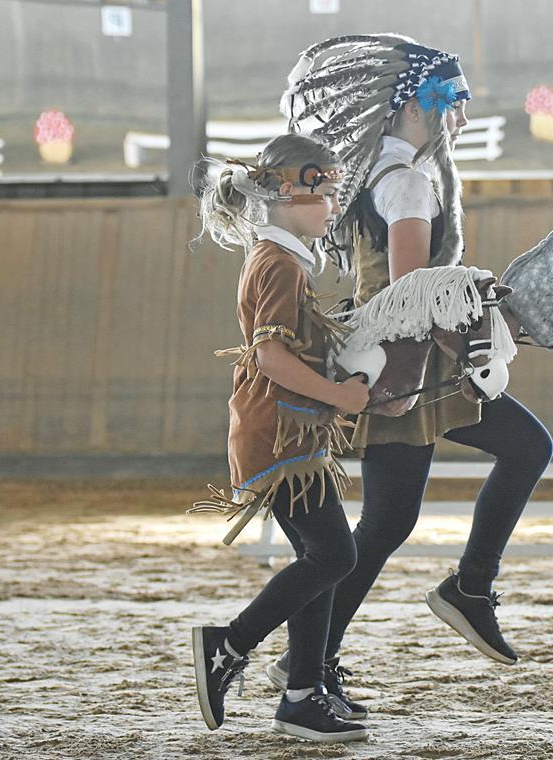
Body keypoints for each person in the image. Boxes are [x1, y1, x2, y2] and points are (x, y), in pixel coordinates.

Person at [274, 34, 553, 690]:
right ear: (414, 108)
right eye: (451, 103)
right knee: (511, 456)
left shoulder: (395, 174)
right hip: (407, 371)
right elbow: (410, 293)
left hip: (411, 365)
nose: (459, 117)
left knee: (393, 520)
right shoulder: (404, 183)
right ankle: (466, 589)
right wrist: (480, 326)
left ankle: (320, 653)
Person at [188, 134, 371, 742]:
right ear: (293, 192)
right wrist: (342, 396)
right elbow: (269, 356)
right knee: (334, 556)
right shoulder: (279, 262)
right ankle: (231, 645)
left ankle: (302, 693)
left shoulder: (286, 259)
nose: (333, 207)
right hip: (279, 436)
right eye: (328, 193)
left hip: (291, 431)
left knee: (320, 558)